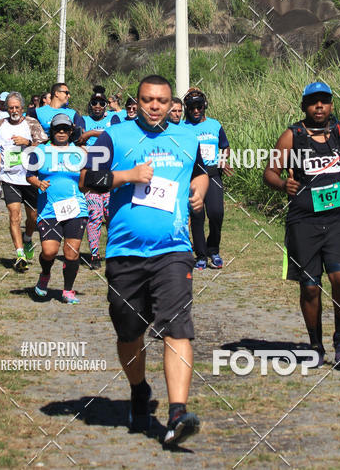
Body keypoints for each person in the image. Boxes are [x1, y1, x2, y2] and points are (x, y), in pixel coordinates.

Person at [82, 74, 209, 446]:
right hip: (124, 252)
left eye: (163, 101)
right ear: (137, 102)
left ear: (172, 104)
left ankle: (177, 413)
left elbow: (201, 174)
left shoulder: (186, 137)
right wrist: (127, 175)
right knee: (128, 332)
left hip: (173, 250)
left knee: (177, 327)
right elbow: (87, 179)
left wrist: (198, 194)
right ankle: (139, 390)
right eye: (148, 100)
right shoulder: (114, 135)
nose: (156, 106)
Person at [263, 81, 340, 368]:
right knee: (310, 287)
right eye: (313, 102)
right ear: (304, 106)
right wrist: (284, 183)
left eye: (324, 101)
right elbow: (269, 172)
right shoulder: (292, 136)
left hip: (339, 221)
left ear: (331, 104)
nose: (319, 107)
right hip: (304, 222)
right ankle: (315, 344)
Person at [26, 113, 88, 303]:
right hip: (49, 209)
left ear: (71, 132)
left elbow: (85, 181)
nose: (61, 132)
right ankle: (45, 274)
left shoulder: (80, 152)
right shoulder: (40, 151)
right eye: (57, 129)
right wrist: (38, 183)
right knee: (49, 251)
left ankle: (68, 290)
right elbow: (30, 175)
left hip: (75, 208)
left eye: (65, 129)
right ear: (51, 131)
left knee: (71, 252)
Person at [0, 92, 47, 271]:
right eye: (11, 108)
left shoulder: (31, 123)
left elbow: (45, 146)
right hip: (9, 178)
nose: (14, 110)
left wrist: (28, 142)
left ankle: (28, 238)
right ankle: (20, 254)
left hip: (29, 177)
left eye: (17, 107)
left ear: (22, 108)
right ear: (6, 108)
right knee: (14, 215)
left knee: (32, 217)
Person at [184, 88, 231, 271]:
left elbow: (225, 146)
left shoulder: (215, 125)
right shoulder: (182, 127)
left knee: (216, 213)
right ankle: (202, 255)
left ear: (205, 106)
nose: (196, 110)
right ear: (187, 109)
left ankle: (214, 249)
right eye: (191, 107)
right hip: (193, 175)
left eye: (199, 106)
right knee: (197, 215)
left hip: (213, 174)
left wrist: (223, 159)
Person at [80, 85, 120, 269]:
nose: (97, 106)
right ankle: (94, 254)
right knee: (95, 215)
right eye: (94, 102)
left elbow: (117, 136)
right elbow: (78, 140)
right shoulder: (83, 120)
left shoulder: (114, 118)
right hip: (90, 172)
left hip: (110, 172)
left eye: (101, 103)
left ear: (106, 105)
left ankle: (114, 252)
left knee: (111, 216)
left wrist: (91, 134)